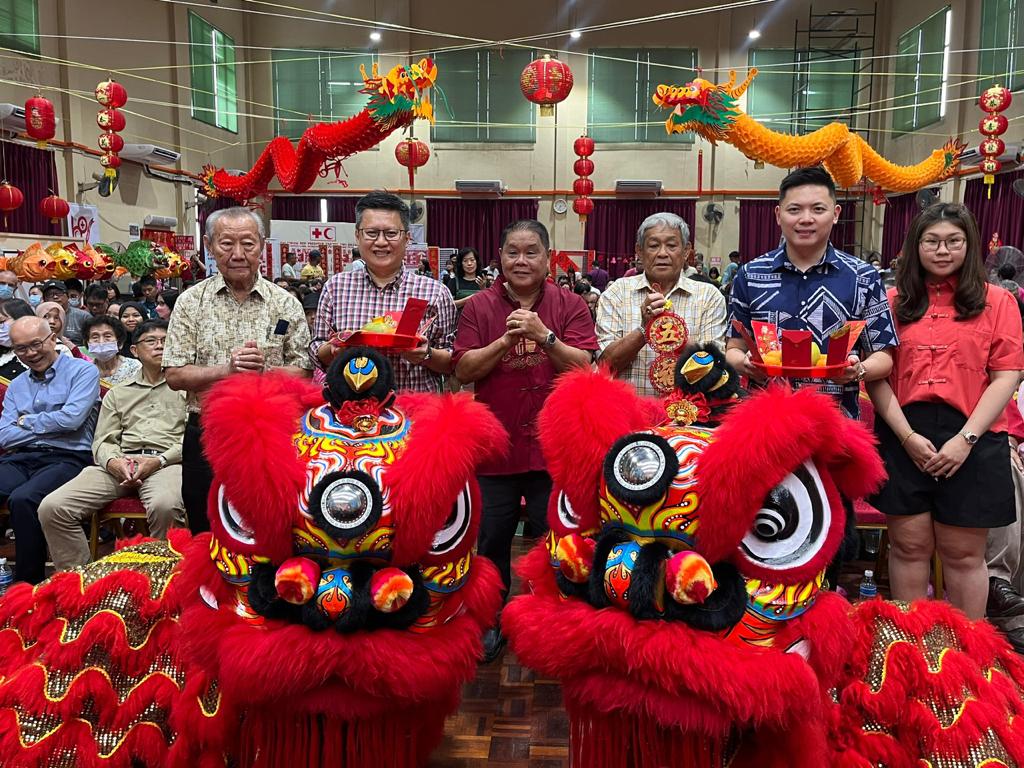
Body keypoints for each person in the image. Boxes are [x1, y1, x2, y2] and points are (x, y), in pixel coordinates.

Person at [867, 202, 1023, 621]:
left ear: (969, 245)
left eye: (953, 241)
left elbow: (1006, 375)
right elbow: (877, 377)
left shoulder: (998, 301)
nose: (942, 250)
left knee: (963, 554)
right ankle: (914, 644)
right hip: (905, 431)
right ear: (915, 246)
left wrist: (965, 440)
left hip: (974, 435)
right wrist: (906, 438)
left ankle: (966, 650)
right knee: (908, 546)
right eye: (931, 241)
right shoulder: (892, 302)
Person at [453, 219, 598, 662]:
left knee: (555, 542)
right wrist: (505, 341)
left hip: (555, 451)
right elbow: (463, 369)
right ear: (499, 257)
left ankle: (548, 622)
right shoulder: (478, 307)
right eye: (512, 252)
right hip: (497, 450)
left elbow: (585, 365)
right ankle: (491, 620)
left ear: (547, 258)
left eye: (531, 252)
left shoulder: (570, 304)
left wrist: (543, 336)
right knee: (491, 543)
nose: (521, 261)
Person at [163, 206, 311, 534]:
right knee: (206, 526)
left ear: (262, 245)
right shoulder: (191, 302)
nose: (238, 254)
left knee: (272, 526)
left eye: (248, 243)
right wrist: (226, 370)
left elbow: (302, 369)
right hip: (207, 431)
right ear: (209, 245)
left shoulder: (285, 304)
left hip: (272, 432)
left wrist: (262, 374)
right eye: (227, 244)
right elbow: (174, 374)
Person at [726, 167, 898, 421]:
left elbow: (883, 356)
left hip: (836, 423)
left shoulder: (863, 277)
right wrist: (746, 364)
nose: (806, 219)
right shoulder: (750, 275)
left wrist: (859, 370)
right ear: (778, 215)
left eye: (818, 209)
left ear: (835, 214)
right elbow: (733, 349)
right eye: (794, 209)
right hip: (765, 423)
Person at [37, 319, 186, 571]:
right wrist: (114, 462)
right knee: (53, 507)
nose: (160, 346)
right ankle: (79, 579)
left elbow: (193, 439)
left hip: (166, 463)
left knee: (165, 505)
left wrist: (159, 461)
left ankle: (164, 580)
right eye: (151, 341)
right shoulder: (118, 393)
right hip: (121, 463)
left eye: (165, 341)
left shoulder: (187, 390)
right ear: (134, 350)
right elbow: (103, 439)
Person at [311, 191, 457, 392]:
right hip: (350, 408)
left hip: (414, 408)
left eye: (391, 233)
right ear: (358, 236)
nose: (381, 242)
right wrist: (334, 350)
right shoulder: (335, 288)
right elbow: (316, 351)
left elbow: (452, 361)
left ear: (407, 238)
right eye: (371, 233)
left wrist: (427, 354)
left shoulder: (436, 293)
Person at [0, 316, 99, 583]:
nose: (31, 353)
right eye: (21, 348)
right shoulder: (17, 385)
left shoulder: (83, 372)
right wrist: (53, 423)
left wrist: (26, 421)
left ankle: (28, 585)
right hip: (22, 456)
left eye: (36, 344)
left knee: (23, 499)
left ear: (52, 339)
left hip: (68, 457)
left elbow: (72, 420)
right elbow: (5, 436)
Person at [596, 212, 728, 397]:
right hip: (628, 411)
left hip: (688, 412)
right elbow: (605, 365)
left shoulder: (709, 296)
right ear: (639, 251)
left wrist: (673, 331)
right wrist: (644, 329)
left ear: (686, 251)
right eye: (653, 246)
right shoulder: (616, 293)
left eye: (672, 245)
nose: (662, 253)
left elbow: (715, 368)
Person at [82, 314, 142, 386]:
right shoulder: (85, 371)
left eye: (107, 336)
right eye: (95, 337)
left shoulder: (133, 367)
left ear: (120, 343)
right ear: (87, 343)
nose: (101, 342)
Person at [41, 280, 90, 345]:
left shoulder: (83, 316)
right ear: (44, 299)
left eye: (59, 293)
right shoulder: (40, 317)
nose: (55, 297)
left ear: (67, 296)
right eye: (50, 294)